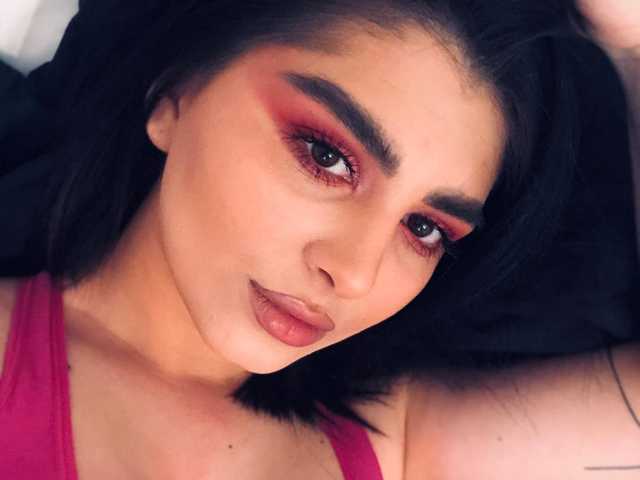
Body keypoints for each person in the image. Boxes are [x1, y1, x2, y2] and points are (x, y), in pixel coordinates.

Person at [0, 1, 637, 478]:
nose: (355, 274)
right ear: (175, 94)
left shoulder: (397, 443)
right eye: (327, 156)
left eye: (424, 229)